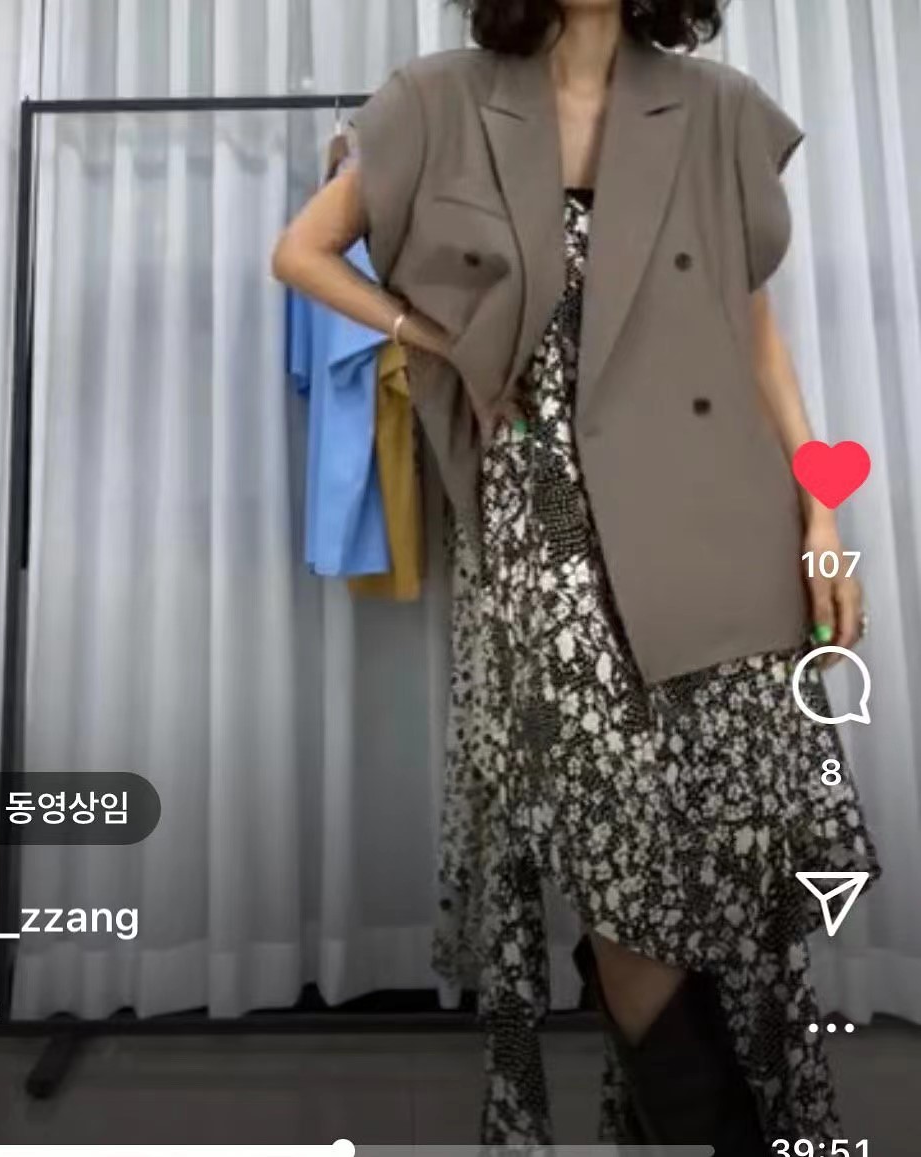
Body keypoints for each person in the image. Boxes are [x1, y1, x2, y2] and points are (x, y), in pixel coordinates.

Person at [272, 0, 882, 1150]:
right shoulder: (438, 98)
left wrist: (819, 509)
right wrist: (435, 337)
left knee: (727, 856)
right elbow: (298, 252)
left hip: (713, 515)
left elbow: (751, 331)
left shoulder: (716, 108)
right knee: (620, 855)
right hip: (541, 520)